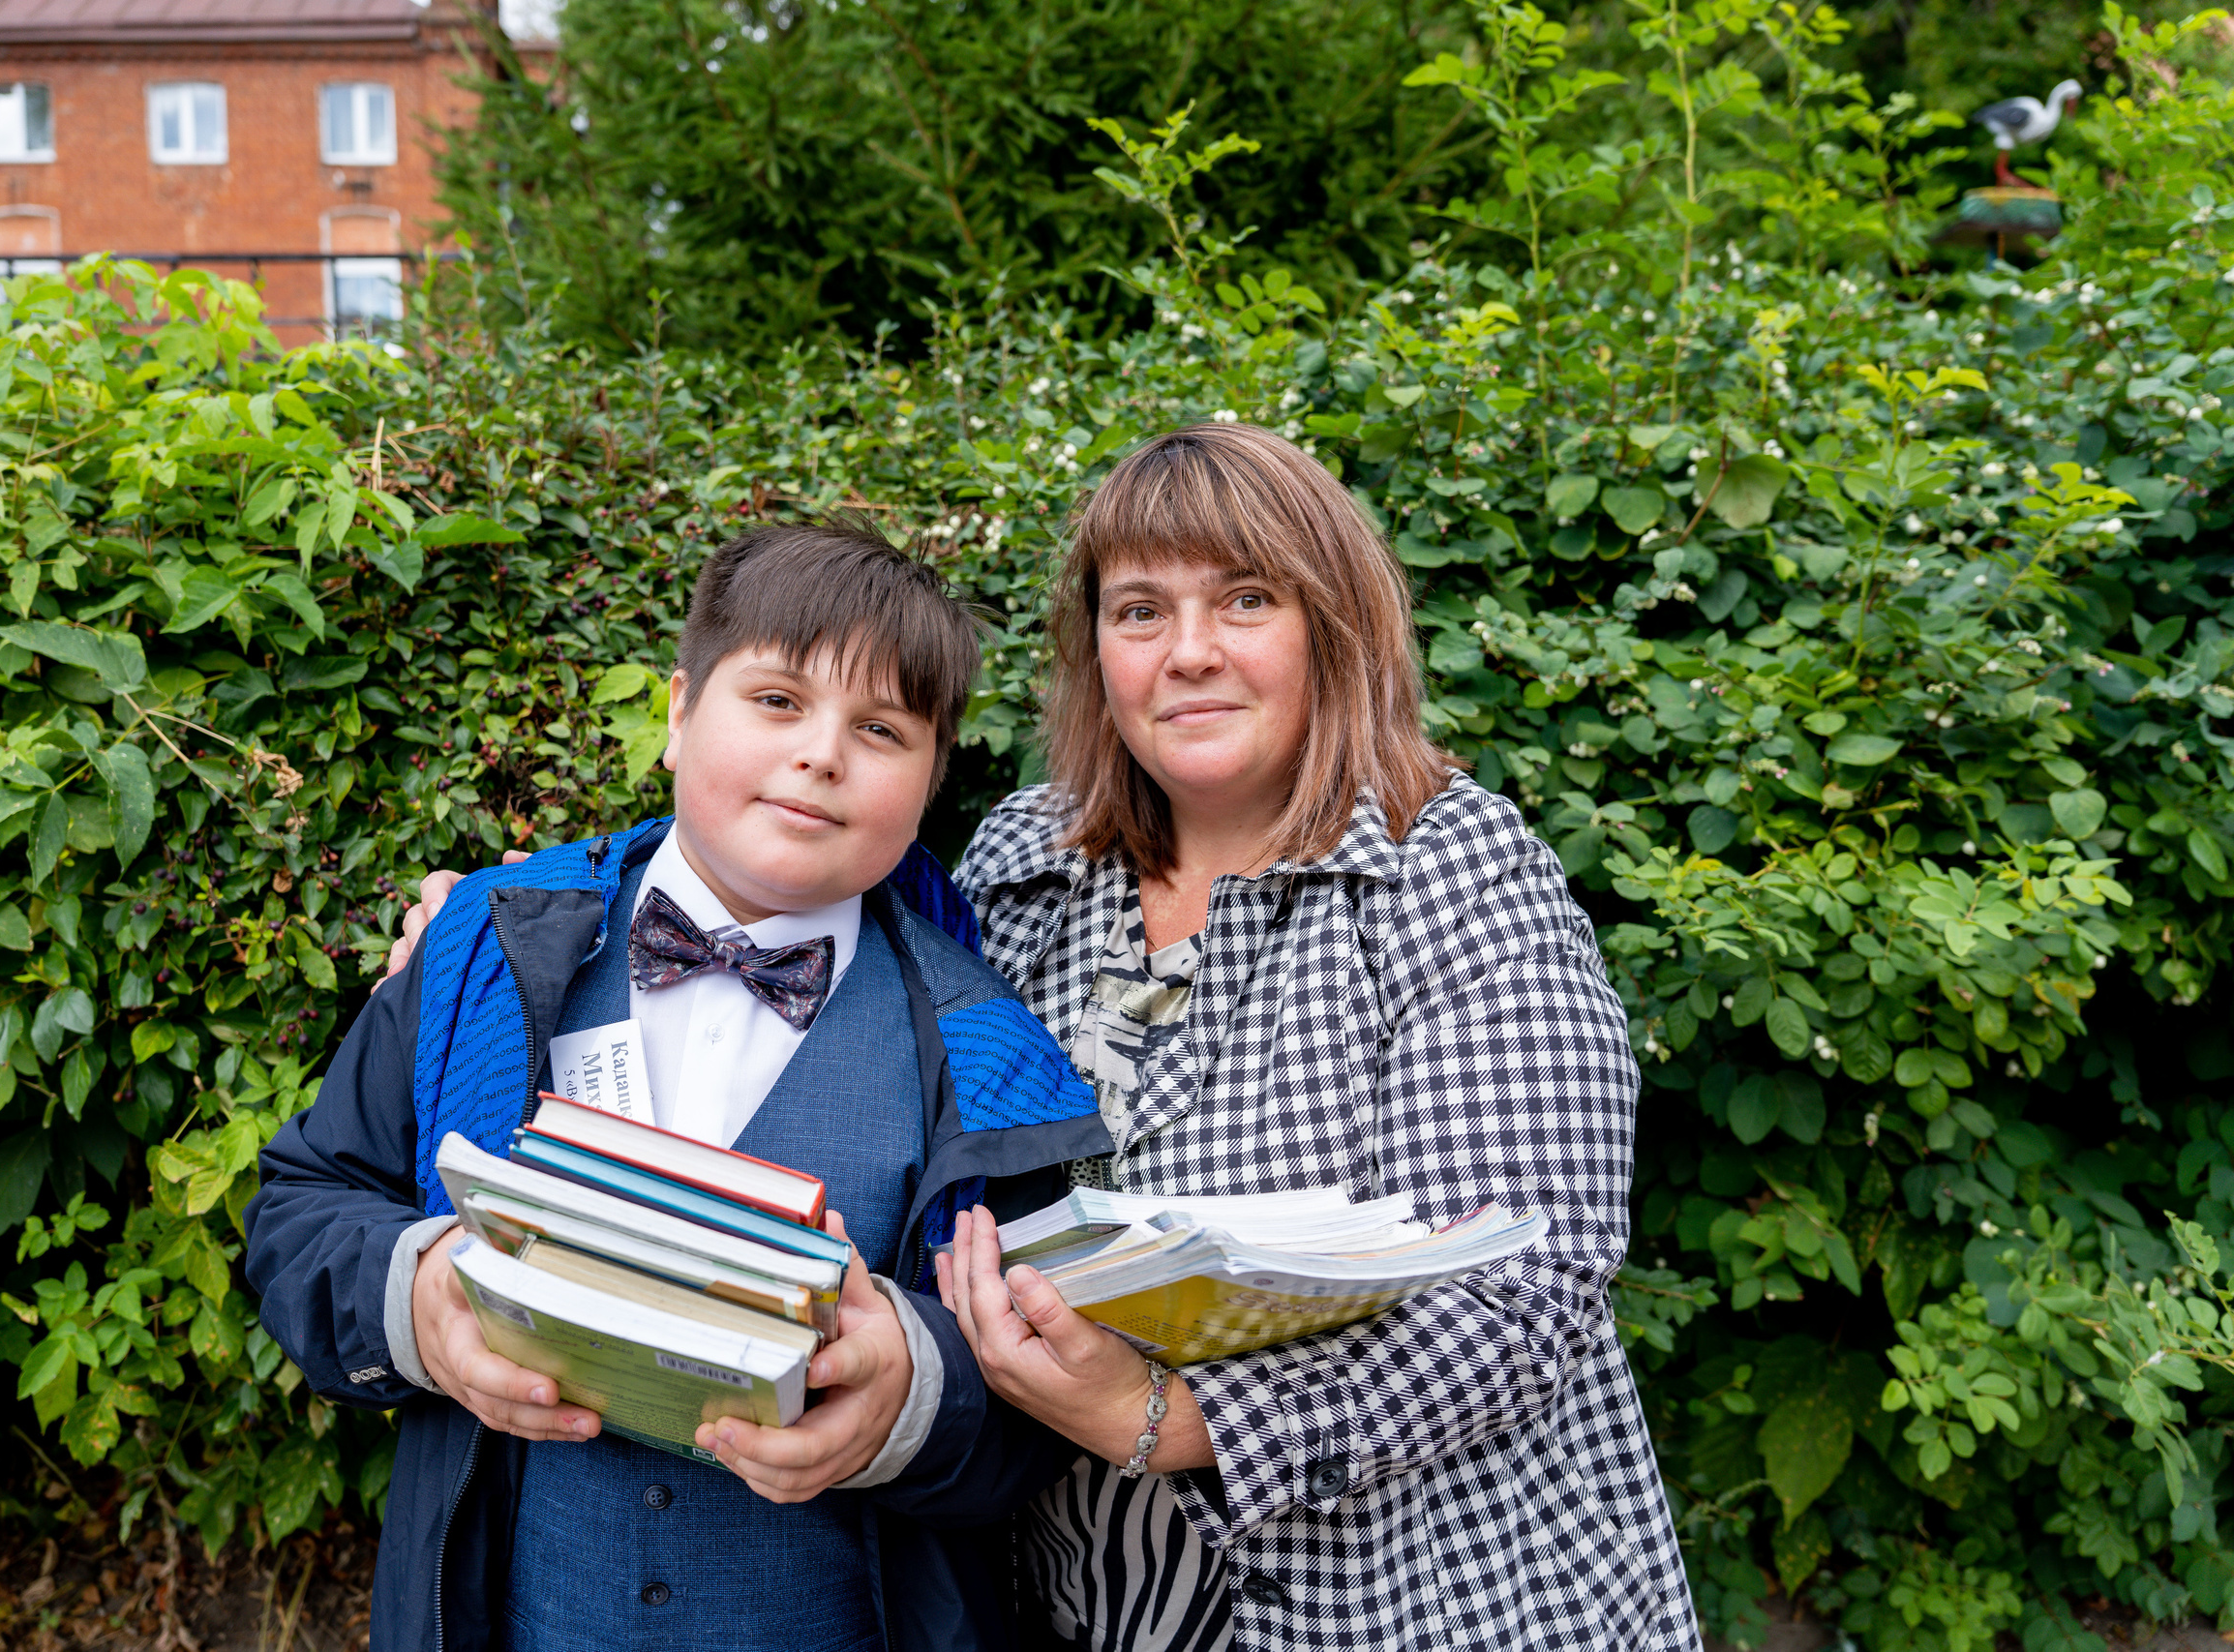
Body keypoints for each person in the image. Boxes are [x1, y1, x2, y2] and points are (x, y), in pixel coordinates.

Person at [390, 425, 1699, 1649]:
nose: (1187, 650)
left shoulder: (1455, 878)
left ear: (1334, 627)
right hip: (1093, 1600)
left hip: (1415, 1593)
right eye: (1141, 610)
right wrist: (490, 921)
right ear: (1099, 654)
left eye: (1246, 598)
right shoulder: (1029, 859)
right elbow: (785, 871)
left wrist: (1171, 1418)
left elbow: (1525, 1291)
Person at [248, 519, 1112, 1652]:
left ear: (931, 781)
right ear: (675, 712)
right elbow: (301, 1209)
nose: (820, 754)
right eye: (775, 701)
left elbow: (1040, 1408)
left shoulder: (989, 1054)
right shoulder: (483, 955)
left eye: (881, 729)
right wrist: (418, 1306)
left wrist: (910, 1389)